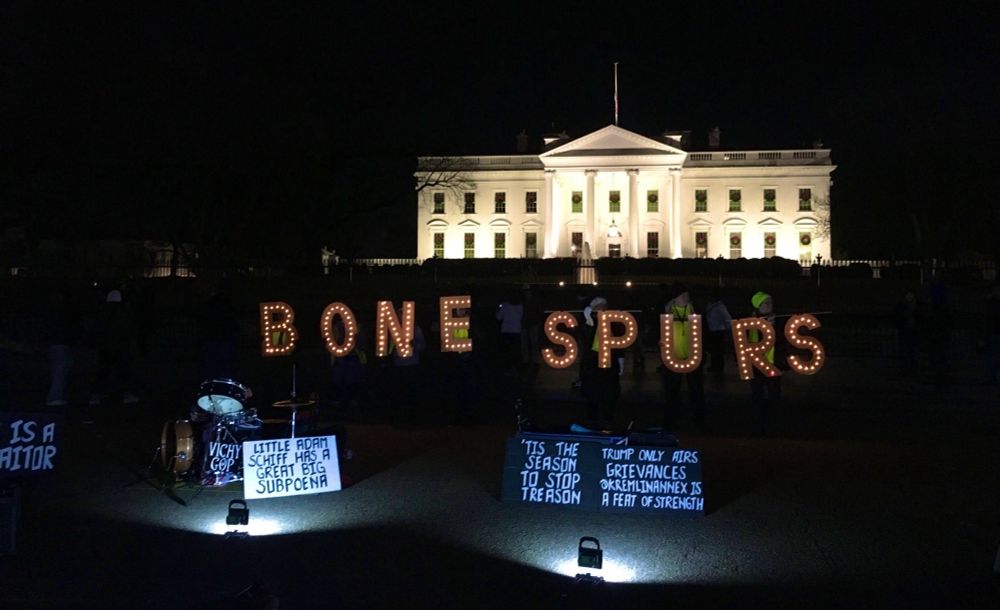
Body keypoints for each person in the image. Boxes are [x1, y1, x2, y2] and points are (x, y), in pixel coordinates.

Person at [658, 282, 707, 431]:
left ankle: (699, 420)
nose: (687, 297)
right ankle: (671, 420)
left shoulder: (695, 310)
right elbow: (657, 330)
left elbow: (705, 330)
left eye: (687, 294)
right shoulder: (667, 311)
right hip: (672, 358)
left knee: (697, 391)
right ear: (676, 297)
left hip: (694, 357)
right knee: (672, 392)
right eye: (684, 294)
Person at [88, 289, 140, 406]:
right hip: (120, 347)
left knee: (102, 372)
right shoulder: (124, 312)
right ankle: (126, 394)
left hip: (105, 347)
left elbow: (96, 330)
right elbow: (129, 331)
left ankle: (95, 395)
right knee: (124, 372)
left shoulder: (102, 312)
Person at [579, 297, 622, 427]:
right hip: (592, 361)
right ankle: (593, 418)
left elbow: (619, 341)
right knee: (592, 391)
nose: (602, 310)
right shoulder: (589, 323)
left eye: (604, 307)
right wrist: (589, 320)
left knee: (610, 390)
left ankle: (607, 418)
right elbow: (584, 339)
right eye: (598, 308)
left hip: (609, 361)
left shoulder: (612, 322)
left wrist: (620, 361)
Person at [748, 291, 781, 435]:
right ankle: (758, 424)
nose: (769, 305)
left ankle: (774, 424)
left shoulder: (777, 321)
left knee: (775, 395)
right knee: (757, 395)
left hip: (773, 364)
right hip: (755, 366)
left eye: (771, 302)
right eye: (766, 303)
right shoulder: (748, 323)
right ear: (758, 306)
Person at [44, 288, 83, 407]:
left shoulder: (53, 310)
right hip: (61, 343)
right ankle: (54, 397)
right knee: (60, 371)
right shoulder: (65, 311)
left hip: (56, 343)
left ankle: (56, 396)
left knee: (59, 370)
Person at [390, 310, 426, 427]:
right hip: (398, 365)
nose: (402, 316)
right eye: (400, 314)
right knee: (400, 393)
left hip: (412, 365)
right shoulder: (392, 328)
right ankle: (402, 419)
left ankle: (412, 419)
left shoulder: (416, 329)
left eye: (404, 314)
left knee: (412, 393)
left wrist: (413, 344)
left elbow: (422, 346)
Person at [704, 288, 733, 374]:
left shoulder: (720, 307)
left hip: (718, 332)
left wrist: (728, 329)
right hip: (713, 331)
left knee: (718, 351)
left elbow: (728, 319)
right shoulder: (712, 306)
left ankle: (718, 368)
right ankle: (715, 367)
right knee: (714, 351)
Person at [496, 291, 524, 375]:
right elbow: (521, 317)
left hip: (506, 332)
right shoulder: (520, 306)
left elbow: (498, 317)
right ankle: (516, 368)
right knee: (515, 351)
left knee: (507, 351)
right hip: (516, 332)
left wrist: (498, 309)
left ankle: (508, 369)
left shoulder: (505, 306)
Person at [895, 289, 919, 376]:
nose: (909, 297)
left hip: (911, 331)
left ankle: (909, 367)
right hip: (906, 331)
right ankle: (907, 367)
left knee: (910, 350)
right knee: (907, 350)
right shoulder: (904, 306)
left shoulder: (912, 306)